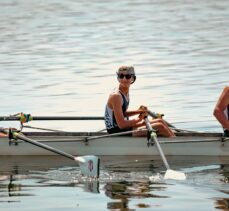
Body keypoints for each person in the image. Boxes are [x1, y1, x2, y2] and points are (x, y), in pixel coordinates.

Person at [104, 66, 175, 137]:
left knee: (160, 121)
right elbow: (122, 125)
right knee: (160, 126)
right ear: (118, 78)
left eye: (127, 76)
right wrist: (139, 119)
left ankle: (174, 140)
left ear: (133, 78)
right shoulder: (116, 96)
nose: (124, 79)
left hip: (122, 128)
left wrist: (138, 111)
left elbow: (121, 113)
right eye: (121, 76)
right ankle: (175, 144)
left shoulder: (124, 92)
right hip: (116, 131)